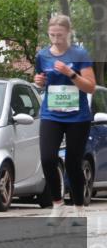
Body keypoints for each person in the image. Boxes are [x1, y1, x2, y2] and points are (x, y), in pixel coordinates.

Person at [33, 14, 96, 224]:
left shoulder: (80, 54)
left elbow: (90, 86)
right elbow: (41, 81)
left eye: (60, 35)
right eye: (52, 35)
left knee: (72, 163)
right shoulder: (42, 55)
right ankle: (58, 205)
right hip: (52, 113)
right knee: (48, 158)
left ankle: (79, 208)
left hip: (77, 117)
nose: (56, 39)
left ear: (68, 33)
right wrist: (39, 81)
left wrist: (71, 73)